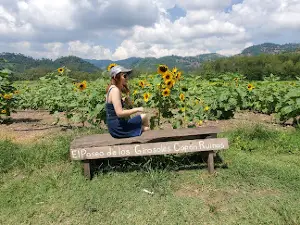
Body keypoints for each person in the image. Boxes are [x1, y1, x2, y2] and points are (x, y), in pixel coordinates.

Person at [105, 65, 150, 138]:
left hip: (114, 125)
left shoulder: (112, 88)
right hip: (118, 128)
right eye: (124, 76)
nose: (127, 78)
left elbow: (111, 105)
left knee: (144, 117)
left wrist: (123, 100)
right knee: (145, 127)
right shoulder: (115, 90)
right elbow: (119, 113)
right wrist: (136, 109)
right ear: (116, 77)